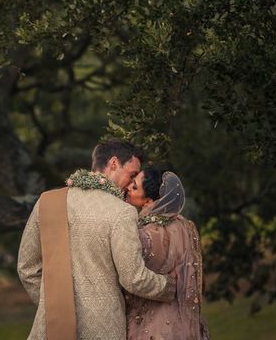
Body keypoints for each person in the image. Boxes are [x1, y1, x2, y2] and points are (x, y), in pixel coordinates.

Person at [17, 139, 176, 340]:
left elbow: (27, 268)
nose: (130, 185)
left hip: (51, 328)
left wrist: (54, 306)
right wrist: (170, 286)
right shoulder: (122, 212)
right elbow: (134, 279)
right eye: (132, 175)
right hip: (104, 330)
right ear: (114, 163)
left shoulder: (46, 201)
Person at [125, 168, 209, 340]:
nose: (127, 187)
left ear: (147, 201)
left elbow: (133, 277)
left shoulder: (144, 235)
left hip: (152, 327)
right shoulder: (185, 226)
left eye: (134, 187)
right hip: (182, 323)